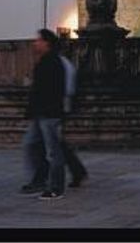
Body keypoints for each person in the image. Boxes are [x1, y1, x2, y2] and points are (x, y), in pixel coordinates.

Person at [29, 47, 88, 189]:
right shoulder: (61, 63)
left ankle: (48, 179)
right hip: (52, 108)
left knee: (47, 145)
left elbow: (66, 88)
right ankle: (76, 171)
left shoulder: (59, 64)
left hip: (54, 109)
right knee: (55, 143)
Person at [19, 29, 67, 200]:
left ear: (47, 43)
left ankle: (56, 187)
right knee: (31, 144)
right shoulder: (44, 61)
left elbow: (52, 89)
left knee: (53, 151)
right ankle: (40, 178)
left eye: (38, 40)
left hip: (49, 113)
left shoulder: (53, 62)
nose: (35, 43)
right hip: (41, 113)